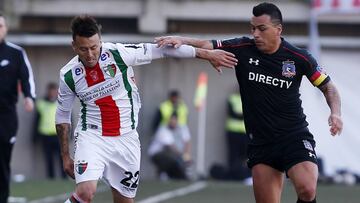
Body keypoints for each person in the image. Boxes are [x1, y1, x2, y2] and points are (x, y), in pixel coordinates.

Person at [155, 2, 343, 203]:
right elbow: (206, 44)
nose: (255, 34)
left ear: (278, 30)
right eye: (253, 28)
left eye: (262, 29)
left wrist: (336, 113)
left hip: (293, 136)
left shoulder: (299, 57)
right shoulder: (242, 48)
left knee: (307, 189)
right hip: (261, 143)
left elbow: (328, 87)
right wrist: (179, 39)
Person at [55, 15, 236, 203]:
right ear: (74, 46)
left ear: (101, 40)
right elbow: (62, 116)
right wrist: (66, 156)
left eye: (94, 47)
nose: (90, 54)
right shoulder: (68, 75)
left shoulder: (118, 54)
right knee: (85, 191)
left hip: (126, 139)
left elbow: (164, 51)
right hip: (92, 137)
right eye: (84, 49)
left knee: (124, 201)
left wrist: (207, 54)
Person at [0, 13, 36, 203]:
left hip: (6, 116)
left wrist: (29, 97)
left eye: (0, 26)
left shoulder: (15, 53)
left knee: (3, 160)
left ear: (6, 29)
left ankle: (3, 197)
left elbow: (26, 76)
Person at [34, 82, 66, 179]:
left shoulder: (62, 103)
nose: (52, 93)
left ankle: (64, 177)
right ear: (48, 92)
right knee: (49, 159)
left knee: (62, 158)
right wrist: (35, 136)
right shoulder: (41, 103)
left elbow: (68, 119)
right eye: (50, 91)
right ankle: (51, 178)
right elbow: (36, 120)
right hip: (46, 136)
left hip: (59, 135)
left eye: (54, 91)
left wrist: (70, 134)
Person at [148, 114, 192, 180]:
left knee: (176, 159)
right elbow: (171, 147)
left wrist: (186, 155)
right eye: (171, 121)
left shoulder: (179, 129)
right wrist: (182, 157)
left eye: (174, 121)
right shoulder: (163, 130)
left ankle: (177, 175)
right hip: (156, 154)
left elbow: (187, 142)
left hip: (169, 153)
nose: (173, 122)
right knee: (171, 158)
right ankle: (162, 174)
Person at [225, 91, 251, 181]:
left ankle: (244, 174)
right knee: (233, 154)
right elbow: (232, 113)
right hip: (233, 131)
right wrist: (245, 115)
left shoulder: (249, 98)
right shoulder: (232, 99)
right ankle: (232, 175)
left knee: (245, 155)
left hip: (245, 132)